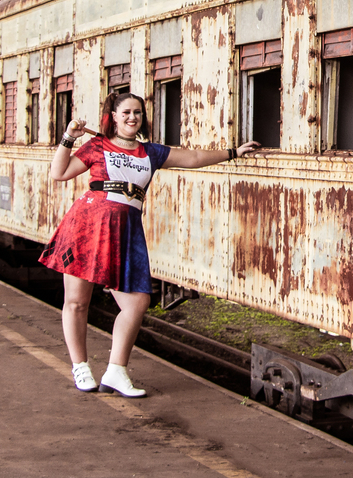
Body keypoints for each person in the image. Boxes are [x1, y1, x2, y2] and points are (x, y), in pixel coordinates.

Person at [40, 90, 259, 397]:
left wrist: (233, 152)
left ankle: (116, 370)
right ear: (114, 117)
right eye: (126, 112)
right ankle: (81, 366)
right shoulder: (96, 145)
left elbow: (194, 158)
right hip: (88, 224)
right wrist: (68, 137)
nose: (132, 117)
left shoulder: (150, 153)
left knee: (138, 301)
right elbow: (58, 173)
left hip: (126, 230)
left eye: (138, 113)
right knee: (77, 302)